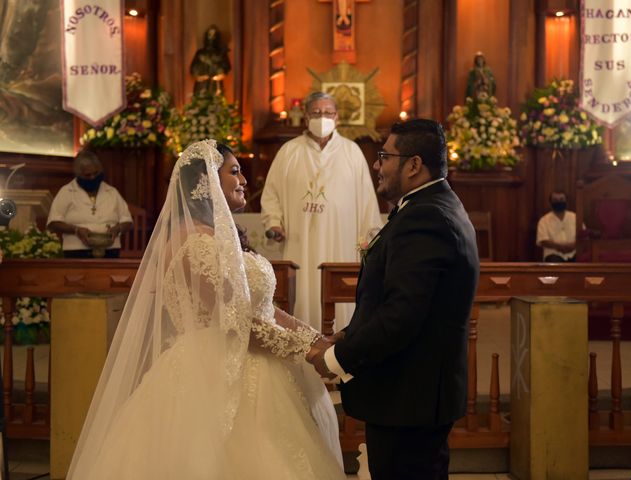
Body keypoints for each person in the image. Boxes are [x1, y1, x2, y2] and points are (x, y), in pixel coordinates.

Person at [67, 140, 346, 479]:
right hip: (213, 373)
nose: (244, 179)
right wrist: (309, 350)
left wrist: (317, 337)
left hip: (256, 365)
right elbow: (238, 323)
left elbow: (264, 309)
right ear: (206, 182)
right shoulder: (193, 245)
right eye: (234, 171)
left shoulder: (221, 237)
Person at [307, 119, 480, 479]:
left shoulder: (426, 218)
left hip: (410, 395)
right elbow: (399, 298)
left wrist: (336, 358)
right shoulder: (431, 205)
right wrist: (349, 334)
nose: (376, 165)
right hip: (413, 393)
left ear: (414, 165)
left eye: (385, 156)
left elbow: (402, 315)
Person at [261, 91, 382, 333]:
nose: (322, 117)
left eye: (328, 113)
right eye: (316, 112)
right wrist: (274, 223)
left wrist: (370, 238)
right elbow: (271, 193)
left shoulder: (352, 152)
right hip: (299, 241)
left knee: (341, 308)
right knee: (302, 301)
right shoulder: (289, 152)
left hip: (342, 244)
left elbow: (368, 200)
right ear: (306, 118)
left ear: (337, 118)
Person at [47, 151, 132, 258]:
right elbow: (53, 222)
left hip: (110, 250)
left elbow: (127, 221)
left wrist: (117, 229)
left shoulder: (111, 192)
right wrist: (76, 230)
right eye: (88, 175)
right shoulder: (66, 191)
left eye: (96, 174)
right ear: (79, 175)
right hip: (76, 251)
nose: (92, 178)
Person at [536, 190, 578, 262]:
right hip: (553, 254)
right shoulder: (544, 220)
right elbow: (543, 240)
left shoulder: (575, 217)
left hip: (574, 252)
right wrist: (560, 247)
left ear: (566, 201)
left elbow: (584, 236)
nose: (559, 202)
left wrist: (573, 246)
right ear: (550, 203)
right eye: (555, 200)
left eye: (561, 199)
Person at [189, 25, 231, 95]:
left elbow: (225, 68)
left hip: (216, 85)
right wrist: (202, 74)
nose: (211, 38)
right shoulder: (200, 53)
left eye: (214, 36)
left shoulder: (221, 53)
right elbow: (193, 69)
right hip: (202, 85)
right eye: (210, 35)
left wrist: (216, 71)